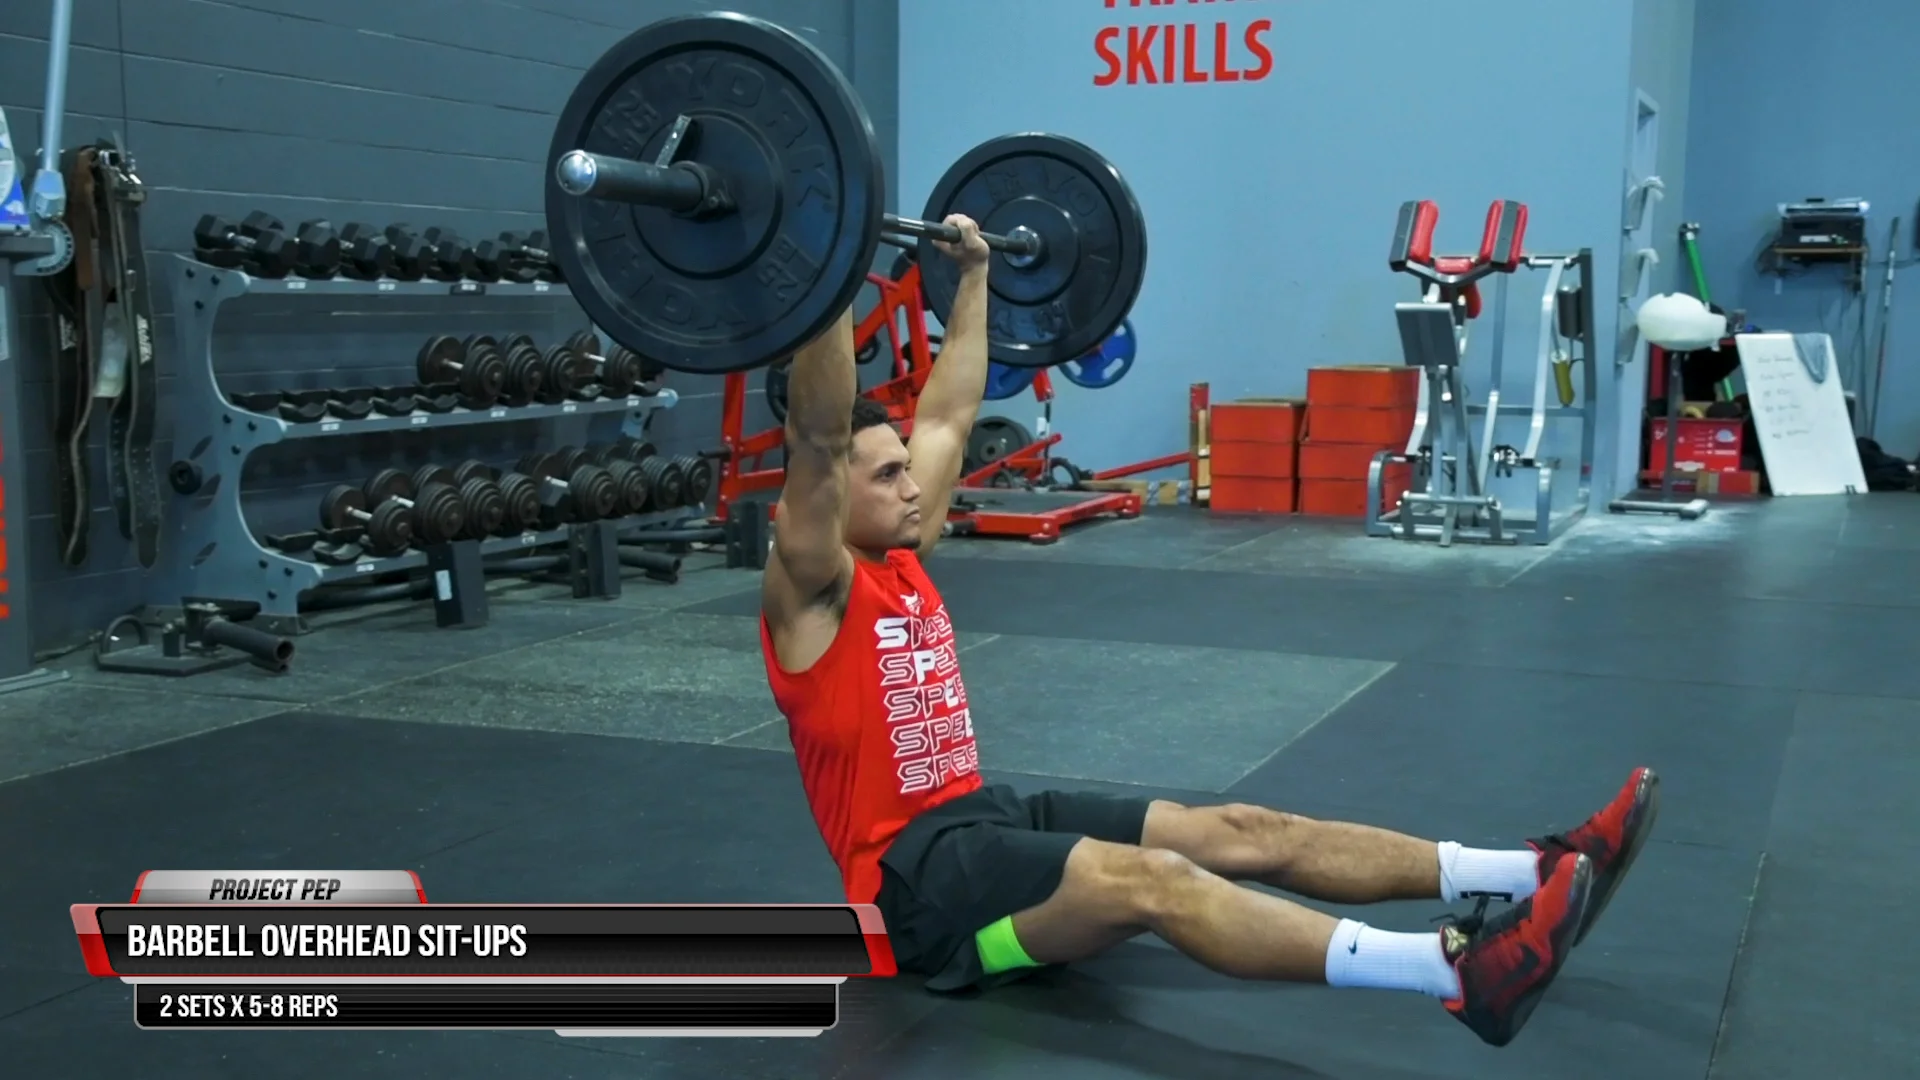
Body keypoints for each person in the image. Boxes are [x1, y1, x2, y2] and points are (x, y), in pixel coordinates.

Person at [757, 216, 1660, 1048]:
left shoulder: (903, 555)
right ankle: (1451, 973)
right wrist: (834, 256)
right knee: (1159, 883)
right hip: (909, 888)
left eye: (906, 470)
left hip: (978, 817)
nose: (913, 485)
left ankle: (1528, 871)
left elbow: (951, 412)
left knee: (1240, 827)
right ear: (832, 499)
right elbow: (820, 435)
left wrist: (979, 275)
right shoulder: (814, 590)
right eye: (884, 477)